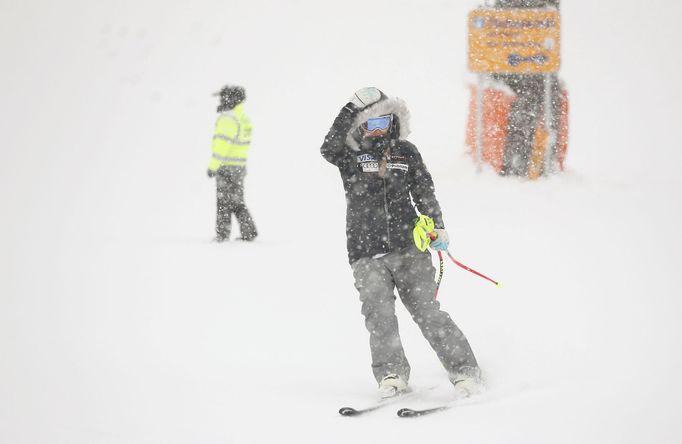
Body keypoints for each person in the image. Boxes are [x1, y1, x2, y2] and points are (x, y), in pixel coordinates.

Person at [320, 87, 482, 398]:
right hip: (365, 252)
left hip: (410, 249)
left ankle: (465, 372)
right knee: (379, 315)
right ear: (361, 124)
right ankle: (392, 375)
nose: (378, 129)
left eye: (385, 122)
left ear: (395, 122)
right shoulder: (350, 155)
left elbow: (424, 192)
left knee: (428, 312)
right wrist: (350, 108)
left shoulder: (407, 152)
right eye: (371, 123)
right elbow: (328, 147)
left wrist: (438, 227)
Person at [206, 85, 258, 242]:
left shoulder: (228, 119)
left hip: (226, 167)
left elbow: (221, 145)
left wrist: (213, 166)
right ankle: (249, 232)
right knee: (236, 201)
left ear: (230, 99)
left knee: (223, 202)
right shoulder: (243, 118)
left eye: (223, 97)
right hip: (239, 167)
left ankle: (222, 235)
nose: (221, 101)